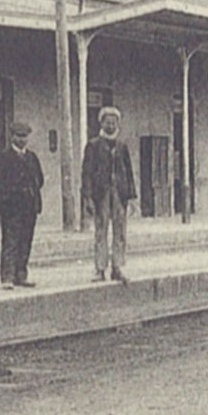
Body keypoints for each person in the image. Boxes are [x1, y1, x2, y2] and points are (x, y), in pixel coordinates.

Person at [81, 106, 135, 283]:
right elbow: (87, 173)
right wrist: (87, 197)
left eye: (113, 122)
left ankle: (117, 267)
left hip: (119, 193)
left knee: (120, 231)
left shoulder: (122, 146)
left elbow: (129, 172)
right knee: (101, 229)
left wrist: (132, 197)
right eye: (107, 122)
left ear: (118, 124)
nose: (110, 125)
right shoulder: (93, 145)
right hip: (101, 193)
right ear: (101, 123)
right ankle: (100, 268)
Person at [0, 122, 43, 290]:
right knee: (11, 241)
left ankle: (21, 275)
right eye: (18, 136)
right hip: (12, 207)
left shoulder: (32, 157)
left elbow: (40, 179)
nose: (22, 140)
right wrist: (8, 196)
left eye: (24, 137)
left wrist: (31, 192)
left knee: (25, 241)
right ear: (12, 137)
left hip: (29, 206)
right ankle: (7, 277)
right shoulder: (3, 157)